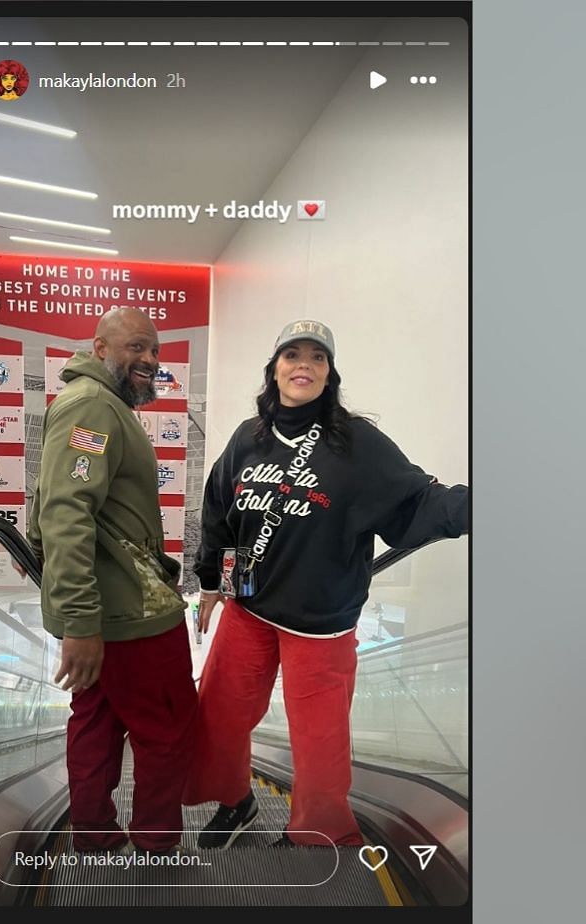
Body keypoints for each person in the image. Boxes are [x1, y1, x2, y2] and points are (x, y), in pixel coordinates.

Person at [184, 319, 469, 849]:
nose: (304, 366)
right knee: (220, 715)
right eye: (292, 355)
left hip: (320, 624)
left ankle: (316, 833)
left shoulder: (357, 442)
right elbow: (221, 515)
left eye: (317, 358)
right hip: (248, 609)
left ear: (329, 373)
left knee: (319, 742)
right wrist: (212, 586)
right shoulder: (248, 438)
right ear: (274, 369)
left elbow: (417, 501)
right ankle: (236, 801)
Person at [25, 307, 197, 855]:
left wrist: (78, 614)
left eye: (155, 352)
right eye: (137, 347)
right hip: (129, 616)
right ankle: (155, 843)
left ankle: (95, 837)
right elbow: (65, 512)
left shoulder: (99, 405)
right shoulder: (93, 407)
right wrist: (79, 620)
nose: (149, 359)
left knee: (96, 720)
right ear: (100, 349)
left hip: (110, 608)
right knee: (167, 727)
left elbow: (55, 510)